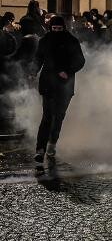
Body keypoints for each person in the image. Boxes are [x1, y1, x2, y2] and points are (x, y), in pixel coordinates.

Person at [31, 16, 85, 163]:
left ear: (63, 28)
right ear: (50, 28)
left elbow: (80, 61)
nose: (56, 31)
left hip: (64, 85)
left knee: (59, 116)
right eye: (54, 29)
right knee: (47, 116)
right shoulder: (45, 40)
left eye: (59, 29)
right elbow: (38, 59)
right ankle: (39, 149)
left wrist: (67, 71)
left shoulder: (71, 41)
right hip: (48, 84)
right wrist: (32, 72)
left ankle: (52, 143)